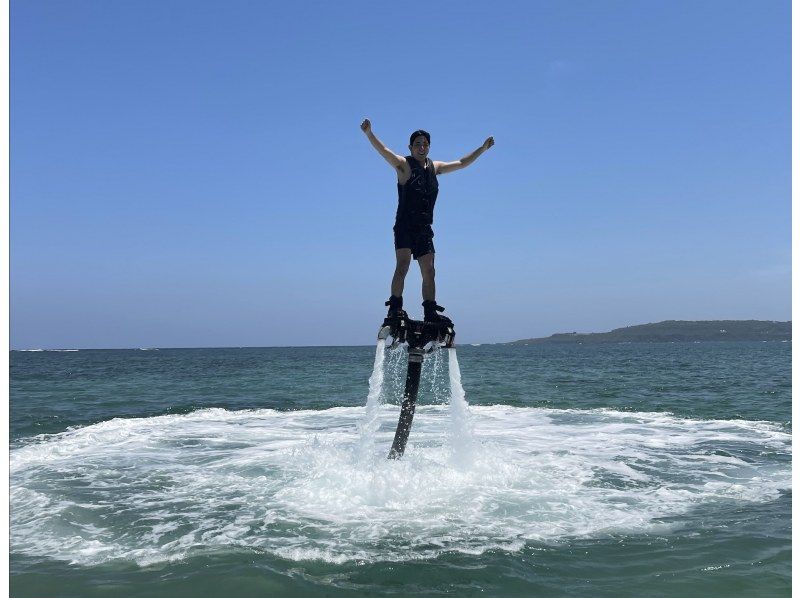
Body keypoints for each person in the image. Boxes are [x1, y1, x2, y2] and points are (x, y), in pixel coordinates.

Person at [361, 119, 494, 323]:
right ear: (410, 147)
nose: (421, 147)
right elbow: (384, 151)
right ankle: (395, 308)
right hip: (405, 226)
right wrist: (369, 133)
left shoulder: (435, 167)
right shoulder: (404, 166)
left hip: (424, 228)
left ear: (429, 147)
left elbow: (461, 163)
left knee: (429, 270)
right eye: (417, 144)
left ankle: (430, 312)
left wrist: (482, 149)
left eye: (425, 144)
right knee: (403, 265)